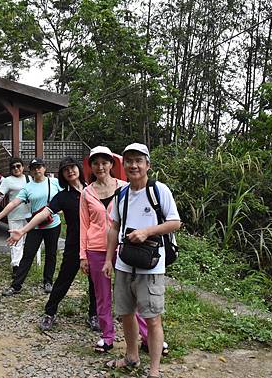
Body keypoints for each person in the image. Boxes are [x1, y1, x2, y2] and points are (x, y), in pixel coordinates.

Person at [102, 143, 181, 376]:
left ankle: (154, 370)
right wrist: (108, 259)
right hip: (124, 263)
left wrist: (147, 231)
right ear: (123, 165)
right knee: (126, 314)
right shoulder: (122, 194)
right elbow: (114, 227)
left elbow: (175, 222)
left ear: (148, 164)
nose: (134, 165)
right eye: (129, 161)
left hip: (151, 265)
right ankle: (131, 357)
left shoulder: (159, 191)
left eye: (139, 160)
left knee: (153, 318)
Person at [8, 157, 99, 330]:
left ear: (79, 169)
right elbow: (44, 213)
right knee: (64, 280)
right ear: (62, 175)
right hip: (74, 244)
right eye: (66, 170)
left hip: (95, 243)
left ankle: (94, 315)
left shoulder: (94, 190)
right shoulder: (63, 196)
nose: (70, 171)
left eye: (73, 167)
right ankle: (50, 313)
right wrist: (23, 230)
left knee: (95, 281)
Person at [80, 146, 153, 353]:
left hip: (123, 248)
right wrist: (82, 255)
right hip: (95, 249)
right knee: (102, 295)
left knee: (133, 294)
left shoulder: (125, 188)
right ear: (91, 166)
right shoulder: (86, 192)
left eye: (105, 162)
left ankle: (149, 337)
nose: (100, 167)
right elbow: (83, 224)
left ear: (112, 164)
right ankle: (107, 336)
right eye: (96, 163)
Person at [0, 157, 61, 295]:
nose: (37, 169)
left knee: (51, 254)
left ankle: (48, 281)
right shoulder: (28, 187)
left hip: (53, 225)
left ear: (44, 168)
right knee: (28, 255)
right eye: (34, 168)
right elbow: (14, 203)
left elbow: (66, 195)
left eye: (39, 167)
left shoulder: (55, 182)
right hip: (35, 226)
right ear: (31, 171)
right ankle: (16, 285)